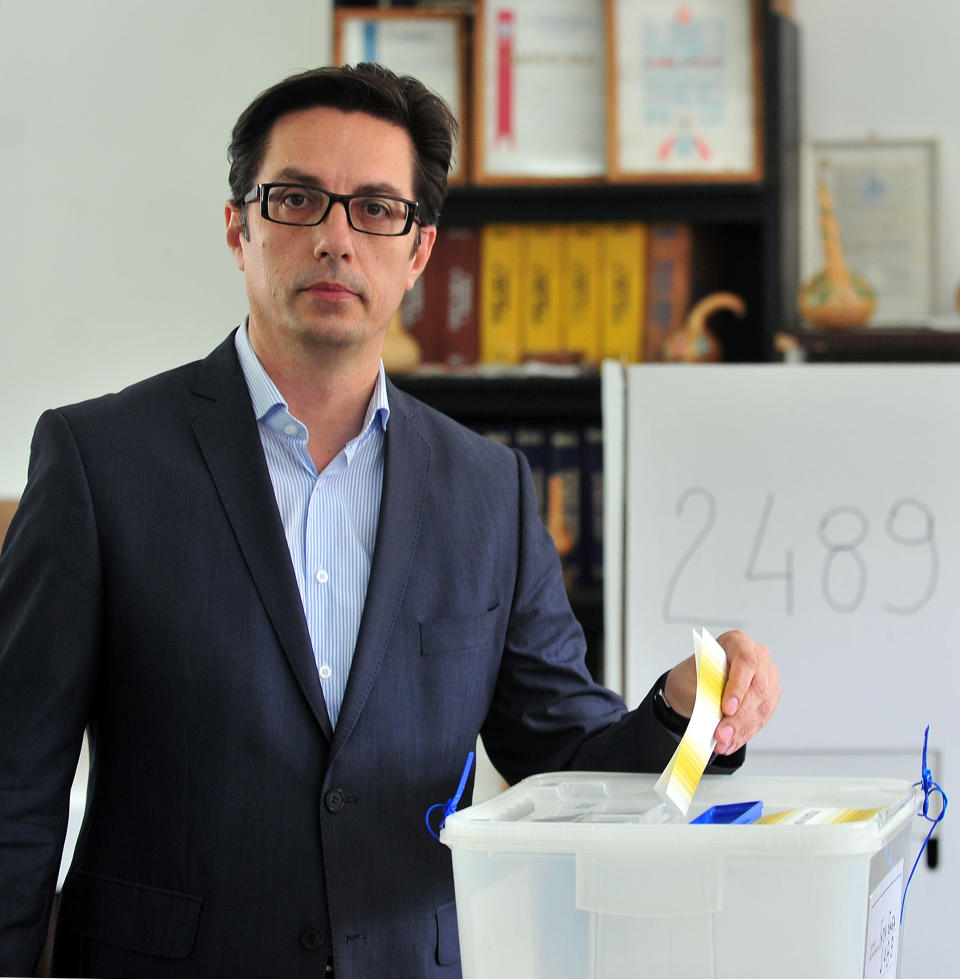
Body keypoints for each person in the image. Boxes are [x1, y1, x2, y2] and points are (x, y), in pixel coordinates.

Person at [0, 64, 780, 978]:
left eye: (376, 208)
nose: (335, 238)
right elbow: (15, 786)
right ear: (237, 229)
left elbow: (564, 760)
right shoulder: (101, 460)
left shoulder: (487, 489)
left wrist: (684, 708)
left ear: (418, 252)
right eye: (296, 199)